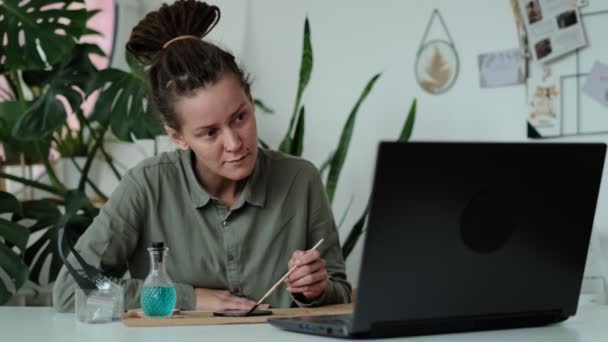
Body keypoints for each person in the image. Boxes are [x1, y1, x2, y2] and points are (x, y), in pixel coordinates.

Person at [53, 0, 351, 312]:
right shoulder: (146, 186)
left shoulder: (300, 179)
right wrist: (188, 297)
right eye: (210, 133)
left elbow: (339, 289)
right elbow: (71, 289)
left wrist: (315, 290)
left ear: (250, 99)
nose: (235, 143)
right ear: (178, 136)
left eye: (240, 117)